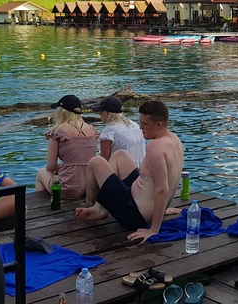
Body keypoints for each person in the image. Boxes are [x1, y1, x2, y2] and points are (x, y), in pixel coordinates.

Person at [76, 100, 185, 243]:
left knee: (95, 162)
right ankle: (100, 207)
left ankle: (92, 203)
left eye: (145, 124)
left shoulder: (155, 147)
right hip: (140, 201)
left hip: (133, 214)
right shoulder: (174, 139)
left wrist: (154, 229)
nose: (140, 127)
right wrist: (162, 209)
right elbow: (168, 180)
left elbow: (162, 190)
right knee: (120, 155)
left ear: (158, 124)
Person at [35, 94, 98, 199]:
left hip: (68, 188)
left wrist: (60, 167)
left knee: (40, 173)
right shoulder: (92, 130)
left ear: (62, 112)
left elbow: (50, 166)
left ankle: (42, 205)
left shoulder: (57, 132)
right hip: (91, 187)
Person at [92, 96, 146, 167]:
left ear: (107, 113)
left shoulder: (109, 130)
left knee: (94, 162)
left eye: (101, 111)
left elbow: (105, 161)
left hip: (123, 171)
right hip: (142, 169)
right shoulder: (135, 125)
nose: (99, 113)